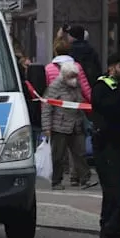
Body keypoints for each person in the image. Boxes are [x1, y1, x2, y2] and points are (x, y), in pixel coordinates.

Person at [91, 52, 120, 238]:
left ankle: (113, 230)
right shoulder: (102, 87)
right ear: (112, 67)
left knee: (118, 191)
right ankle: (109, 232)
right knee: (114, 191)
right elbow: (108, 109)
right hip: (107, 146)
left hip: (119, 145)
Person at [41, 61, 90, 190]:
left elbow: (80, 101)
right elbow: (47, 108)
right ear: (64, 75)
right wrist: (47, 127)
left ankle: (85, 179)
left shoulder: (76, 85)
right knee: (58, 156)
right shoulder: (55, 87)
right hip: (59, 126)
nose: (74, 79)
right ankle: (56, 181)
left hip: (76, 124)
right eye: (71, 76)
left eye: (75, 76)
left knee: (80, 153)